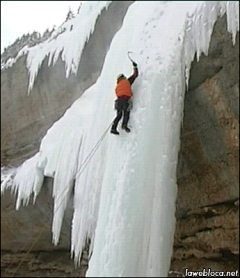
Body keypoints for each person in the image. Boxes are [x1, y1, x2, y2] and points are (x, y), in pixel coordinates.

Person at [110, 61, 138, 135]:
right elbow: (135, 75)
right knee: (126, 113)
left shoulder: (117, 86)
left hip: (118, 101)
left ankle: (113, 128)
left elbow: (118, 94)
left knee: (119, 115)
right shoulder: (127, 81)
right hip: (125, 100)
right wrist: (135, 67)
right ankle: (124, 125)